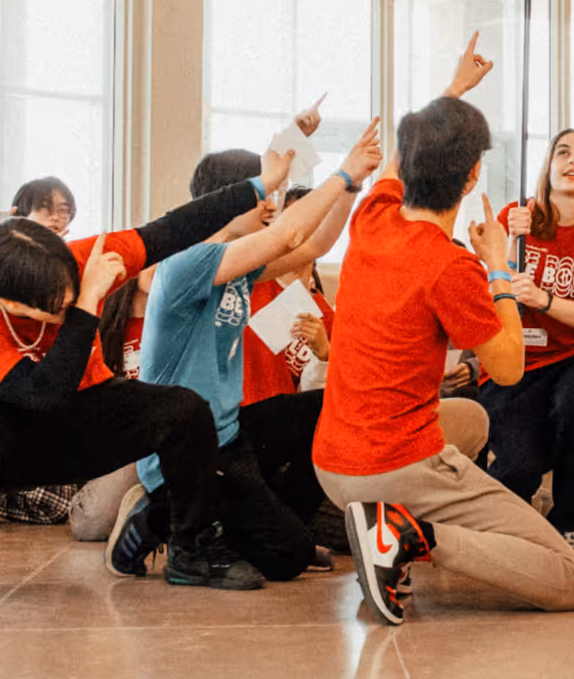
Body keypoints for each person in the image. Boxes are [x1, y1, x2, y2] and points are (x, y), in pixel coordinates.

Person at [0, 166, 284, 603]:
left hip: (89, 416)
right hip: (15, 445)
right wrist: (87, 302)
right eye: (58, 306)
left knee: (186, 410)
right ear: (11, 304)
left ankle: (192, 546)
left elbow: (172, 228)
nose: (68, 303)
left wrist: (261, 183)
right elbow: (43, 397)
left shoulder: (84, 258)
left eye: (71, 292)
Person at [317, 35, 574, 625]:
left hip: (331, 461)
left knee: (472, 419)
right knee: (570, 578)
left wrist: (454, 89)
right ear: (471, 180)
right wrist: (497, 267)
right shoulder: (453, 265)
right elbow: (510, 367)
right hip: (392, 467)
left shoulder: (371, 218)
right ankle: (411, 534)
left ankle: (381, 524)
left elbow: (399, 157)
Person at [105, 125, 383, 583]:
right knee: (287, 560)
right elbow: (284, 237)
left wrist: (352, 186)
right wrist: (341, 172)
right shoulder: (186, 263)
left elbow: (311, 245)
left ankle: (262, 526)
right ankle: (159, 511)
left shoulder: (237, 266)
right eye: (263, 194)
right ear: (227, 200)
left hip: (229, 433)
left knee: (333, 408)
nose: (271, 204)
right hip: (187, 453)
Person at [481, 128, 574, 561]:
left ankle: (572, 523)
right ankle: (510, 524)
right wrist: (510, 242)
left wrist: (543, 299)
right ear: (547, 166)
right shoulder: (516, 216)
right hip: (514, 360)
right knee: (519, 467)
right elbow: (492, 295)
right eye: (562, 152)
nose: (573, 160)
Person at [8, 177, 76, 236]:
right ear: (19, 214)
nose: (55, 218)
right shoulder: (4, 248)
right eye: (44, 208)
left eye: (63, 210)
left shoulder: (73, 249)